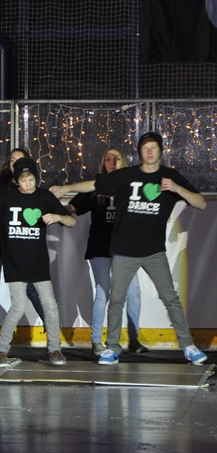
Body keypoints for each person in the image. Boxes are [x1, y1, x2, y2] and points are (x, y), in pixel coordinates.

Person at [51, 132, 208, 365]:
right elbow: (95, 184)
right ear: (139, 152)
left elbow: (201, 203)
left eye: (153, 147)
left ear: (161, 150)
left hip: (154, 251)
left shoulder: (169, 177)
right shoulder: (127, 175)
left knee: (170, 298)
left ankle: (187, 345)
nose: (149, 152)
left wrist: (177, 188)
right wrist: (67, 188)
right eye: (145, 148)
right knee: (116, 299)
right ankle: (112, 347)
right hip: (124, 251)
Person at [0, 157, 75, 367]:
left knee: (50, 305)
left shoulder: (44, 197)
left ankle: (54, 348)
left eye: (31, 180)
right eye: (24, 181)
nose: (28, 184)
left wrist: (58, 217)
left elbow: (71, 221)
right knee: (17, 306)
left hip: (38, 261)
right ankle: (1, 349)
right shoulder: (7, 198)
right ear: (17, 180)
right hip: (14, 260)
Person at [64, 148, 145, 356]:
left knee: (134, 292)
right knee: (103, 292)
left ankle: (134, 339)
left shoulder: (132, 185)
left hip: (125, 248)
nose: (112, 162)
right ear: (103, 164)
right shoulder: (96, 187)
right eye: (108, 159)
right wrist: (48, 211)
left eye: (117, 158)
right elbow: (71, 209)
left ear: (124, 161)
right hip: (100, 247)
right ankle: (96, 341)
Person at [0, 148, 46, 356]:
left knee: (31, 288)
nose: (16, 164)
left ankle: (52, 330)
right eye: (12, 160)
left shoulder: (32, 190)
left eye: (20, 160)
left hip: (17, 248)